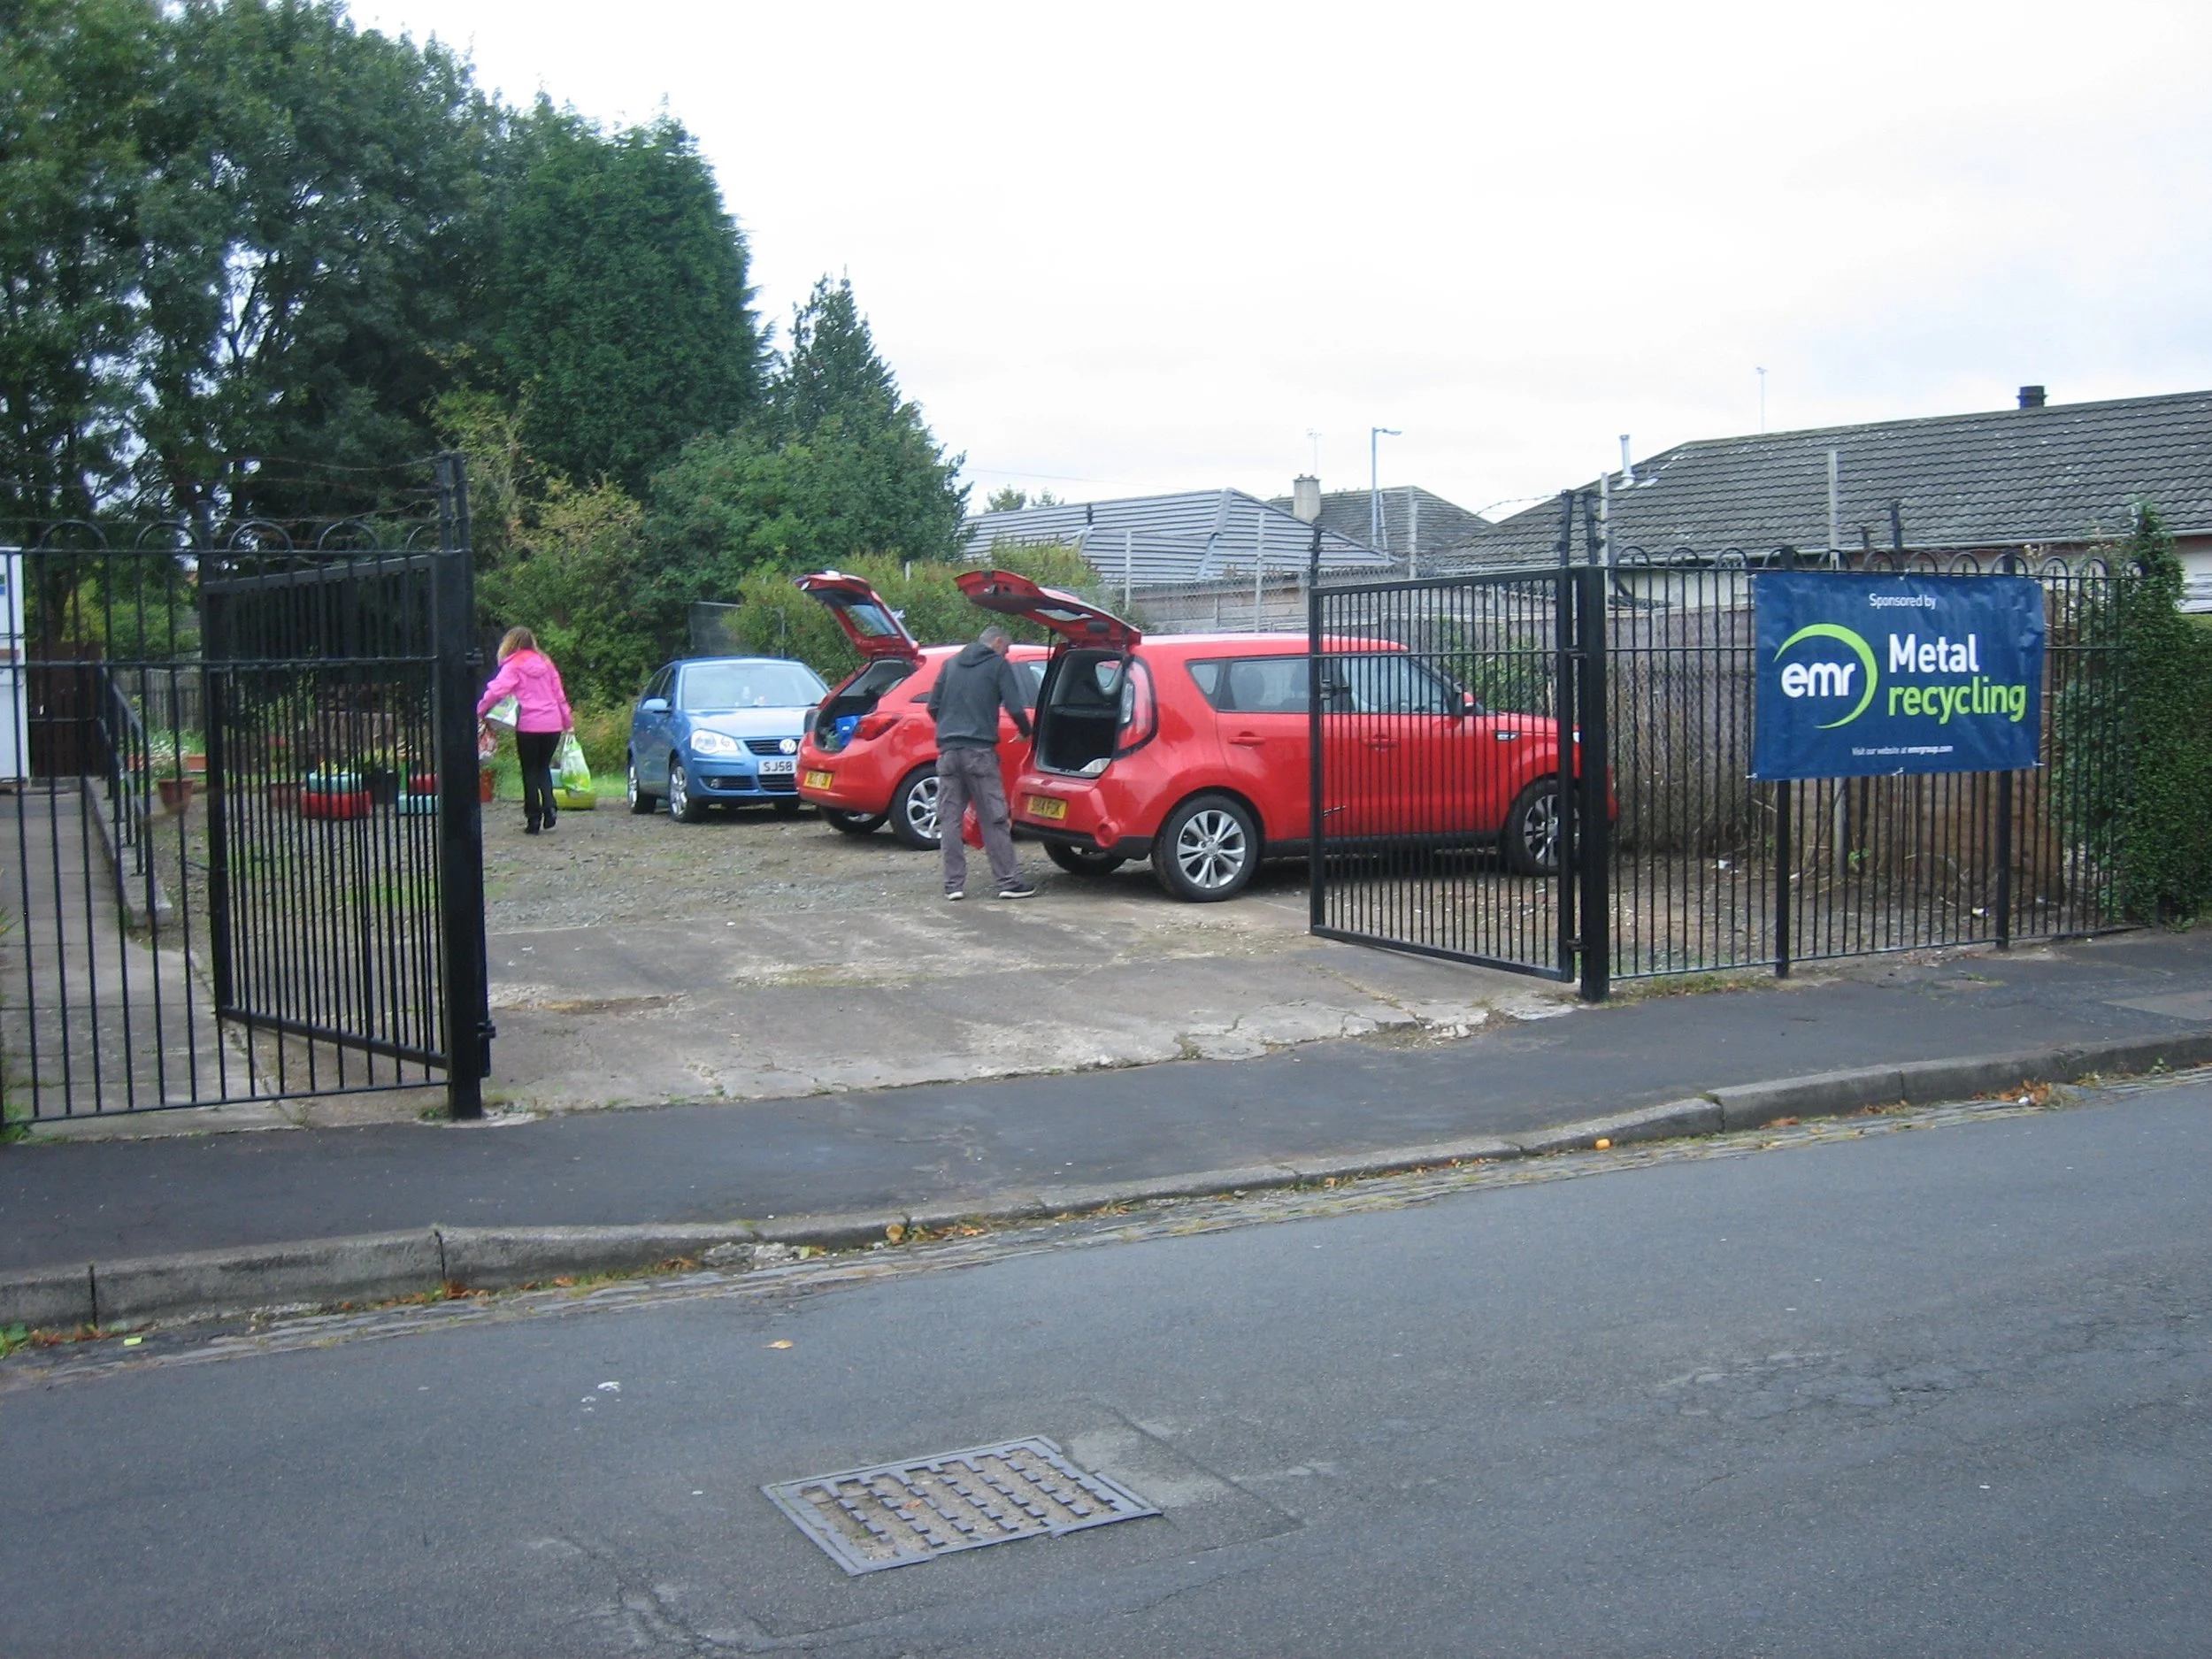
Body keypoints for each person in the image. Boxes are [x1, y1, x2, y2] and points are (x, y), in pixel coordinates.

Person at [925, 623, 1037, 899]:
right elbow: (1014, 706)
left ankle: (953, 886)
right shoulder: (998, 665)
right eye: (1007, 648)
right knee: (994, 818)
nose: (1007, 653)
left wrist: (951, 727)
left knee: (950, 819)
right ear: (997, 642)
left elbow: (932, 706)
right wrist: (1026, 731)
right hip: (979, 753)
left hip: (948, 752)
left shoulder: (950, 665)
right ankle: (1008, 882)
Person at [477, 626, 573, 834]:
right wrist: (567, 722)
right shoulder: (546, 664)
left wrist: (481, 709)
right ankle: (550, 807)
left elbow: (497, 691)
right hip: (552, 723)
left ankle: (533, 818)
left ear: (510, 643)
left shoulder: (514, 665)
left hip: (528, 724)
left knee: (529, 770)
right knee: (543, 767)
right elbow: (559, 695)